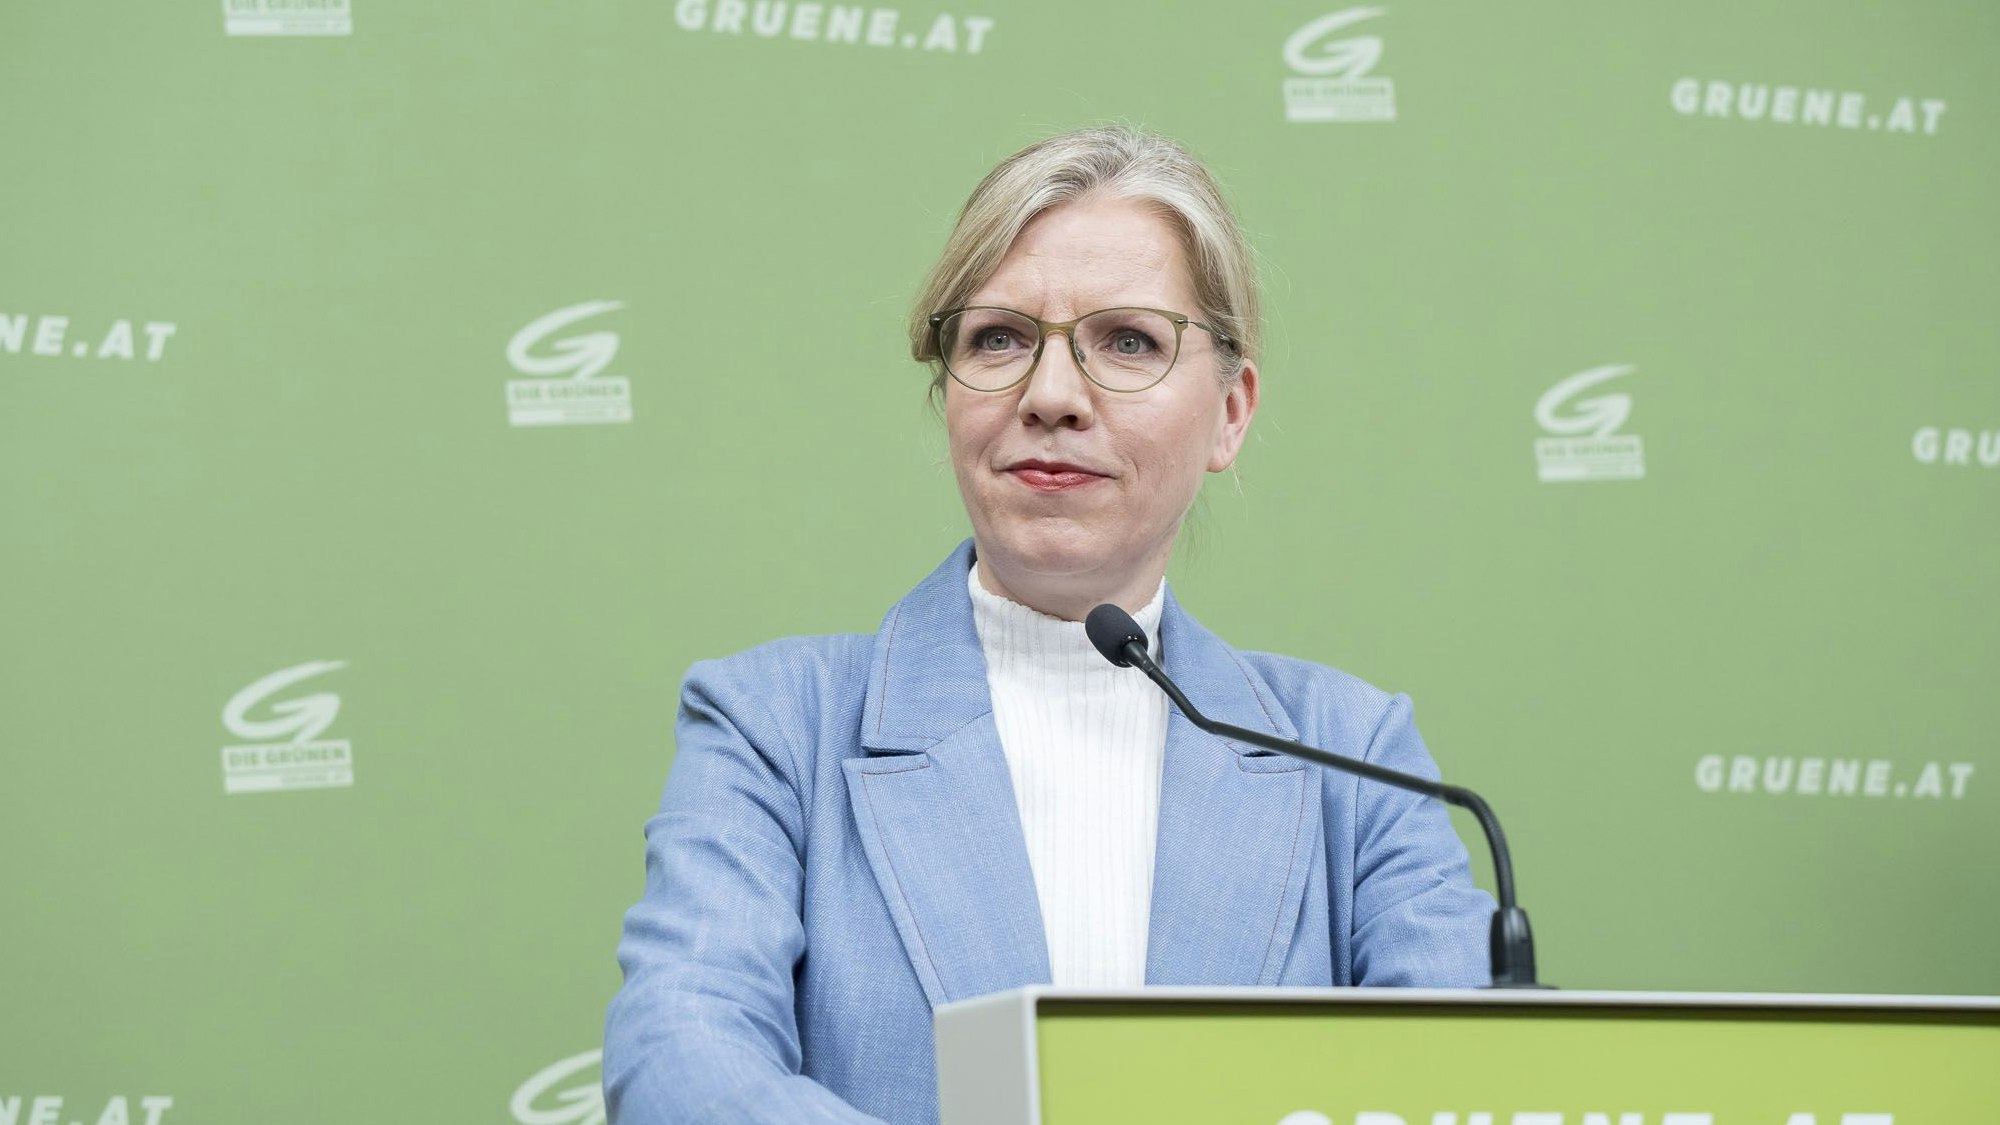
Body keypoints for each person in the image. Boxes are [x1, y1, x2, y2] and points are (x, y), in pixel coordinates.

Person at [603, 125, 1492, 1125]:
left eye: (1128, 341)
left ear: (1231, 412)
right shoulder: (774, 724)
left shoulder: (1353, 755)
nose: (1052, 396)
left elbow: (1463, 1092)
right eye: (999, 338)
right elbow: (679, 1064)